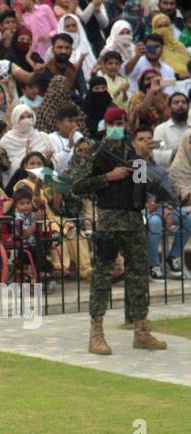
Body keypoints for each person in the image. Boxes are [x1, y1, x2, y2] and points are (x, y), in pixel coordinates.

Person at [72, 112, 168, 354]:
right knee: (102, 275)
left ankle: (141, 331)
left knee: (138, 275)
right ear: (106, 125)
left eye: (120, 123)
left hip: (133, 220)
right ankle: (96, 333)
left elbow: (139, 185)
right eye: (113, 124)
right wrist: (108, 177)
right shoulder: (97, 153)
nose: (117, 127)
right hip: (108, 220)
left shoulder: (132, 154)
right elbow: (77, 186)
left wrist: (149, 200)